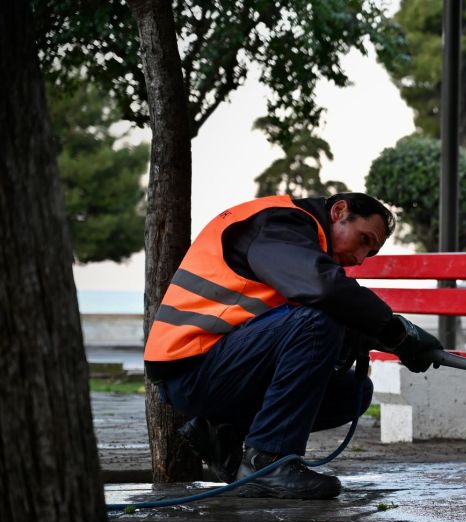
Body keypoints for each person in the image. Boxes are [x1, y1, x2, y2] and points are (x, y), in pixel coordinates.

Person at [143, 193, 443, 500]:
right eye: (363, 239)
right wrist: (395, 331)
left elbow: (295, 315)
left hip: (222, 366)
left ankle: (223, 432)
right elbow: (321, 287)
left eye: (371, 251)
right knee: (317, 320)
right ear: (339, 211)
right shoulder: (280, 222)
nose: (361, 257)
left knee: (354, 392)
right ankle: (268, 460)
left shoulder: (302, 243)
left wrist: (368, 336)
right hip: (190, 369)